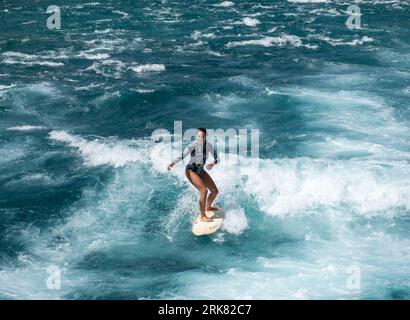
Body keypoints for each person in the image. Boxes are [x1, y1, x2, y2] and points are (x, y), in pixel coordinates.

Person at [167, 128, 220, 222]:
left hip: (200, 171)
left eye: (203, 136)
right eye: (199, 136)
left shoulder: (209, 146)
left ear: (205, 136)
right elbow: (182, 156)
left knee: (214, 191)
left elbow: (217, 158)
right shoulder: (192, 145)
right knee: (203, 190)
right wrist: (172, 163)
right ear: (196, 136)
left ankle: (207, 207)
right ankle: (203, 215)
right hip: (191, 170)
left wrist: (213, 163)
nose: (201, 138)